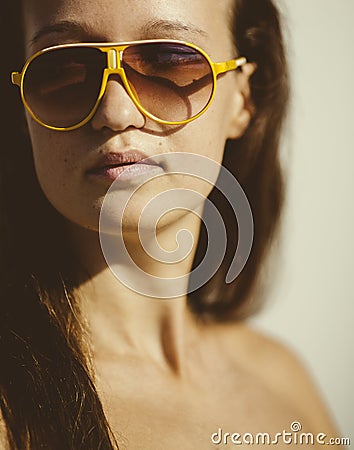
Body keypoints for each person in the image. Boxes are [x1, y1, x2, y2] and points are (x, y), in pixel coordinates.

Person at [0, 0, 341, 448]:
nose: (116, 111)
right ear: (22, 106)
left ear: (244, 98)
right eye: (63, 68)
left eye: (170, 63)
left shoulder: (283, 381)